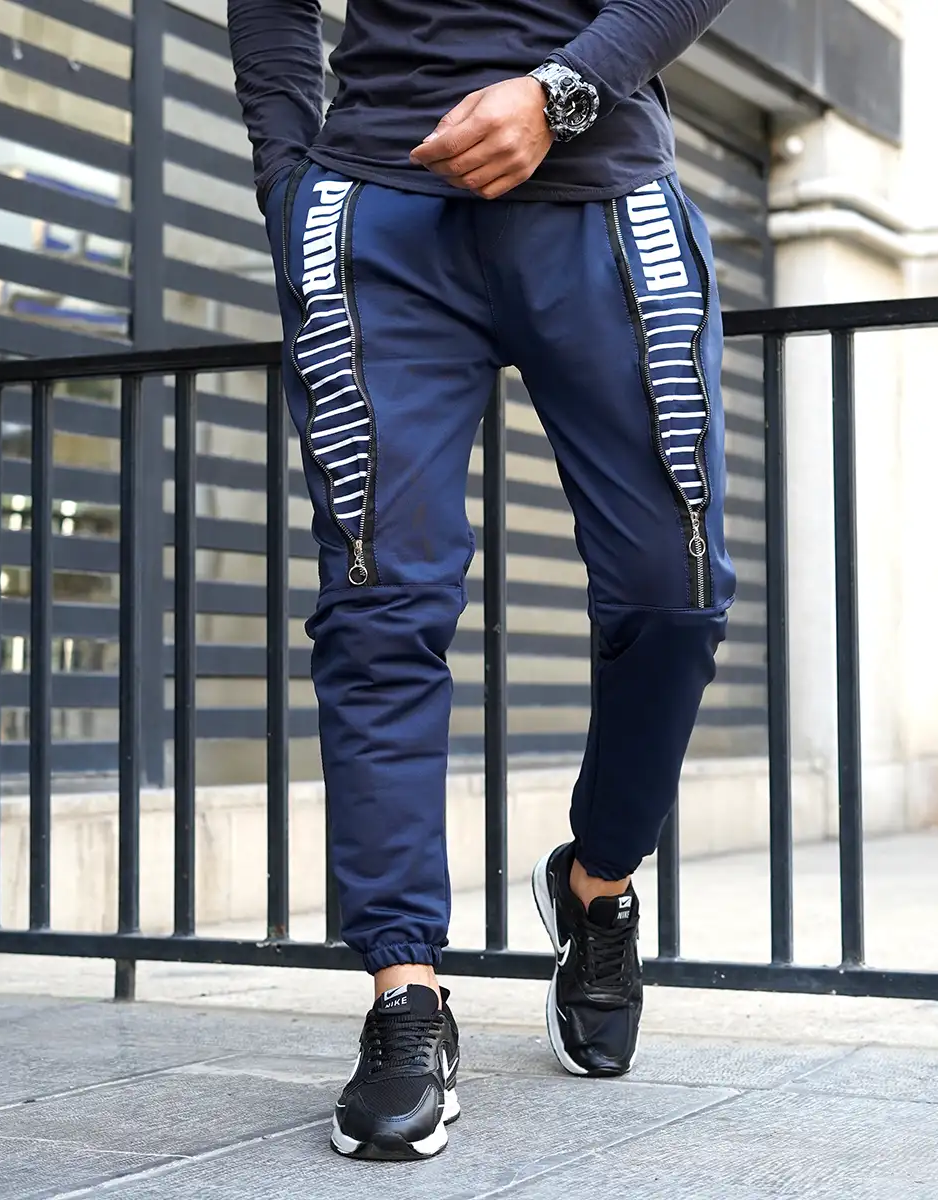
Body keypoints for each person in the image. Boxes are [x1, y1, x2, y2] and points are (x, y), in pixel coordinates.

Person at [229, 0, 735, 1161]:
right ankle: (404, 996)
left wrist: (562, 93)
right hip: (379, 204)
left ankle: (597, 886)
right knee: (378, 605)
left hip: (602, 191)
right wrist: (288, 181)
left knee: (672, 596)